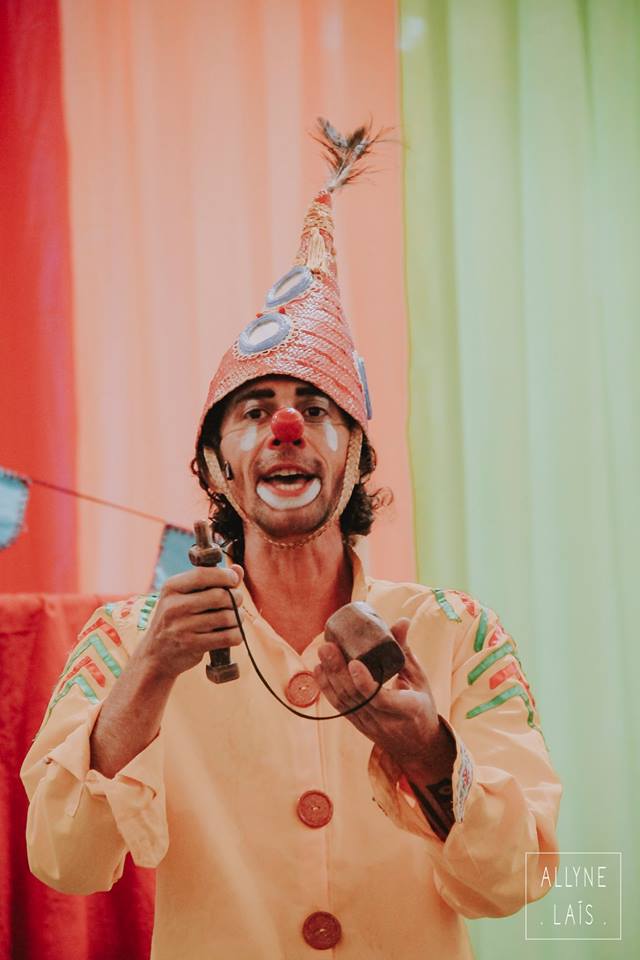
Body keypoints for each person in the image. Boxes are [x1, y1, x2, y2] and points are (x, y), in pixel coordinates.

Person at [21, 121, 562, 959]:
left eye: (315, 410)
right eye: (254, 411)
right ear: (215, 466)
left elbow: (517, 881)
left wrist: (427, 752)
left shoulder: (461, 634)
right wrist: (150, 675)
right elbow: (64, 861)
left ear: (356, 459)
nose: (285, 428)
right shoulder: (126, 641)